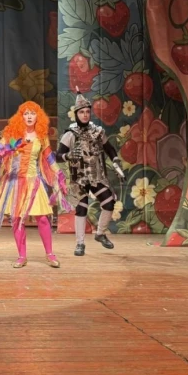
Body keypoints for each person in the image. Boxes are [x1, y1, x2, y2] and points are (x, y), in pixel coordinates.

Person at [0, 101, 70, 268]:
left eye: (33, 113)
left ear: (38, 117)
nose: (30, 116)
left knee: (43, 218)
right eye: (26, 113)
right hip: (14, 182)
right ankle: (21, 256)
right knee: (17, 220)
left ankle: (50, 254)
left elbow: (49, 158)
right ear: (21, 117)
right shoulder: (11, 133)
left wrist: (59, 174)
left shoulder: (41, 136)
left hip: (33, 182)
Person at [56, 91, 125, 256]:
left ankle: (100, 233)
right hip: (79, 178)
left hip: (96, 175)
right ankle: (80, 243)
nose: (85, 115)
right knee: (82, 208)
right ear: (76, 114)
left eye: (87, 111)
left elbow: (109, 148)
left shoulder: (98, 132)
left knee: (109, 202)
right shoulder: (70, 134)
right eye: (82, 112)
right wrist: (68, 155)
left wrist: (116, 161)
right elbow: (58, 156)